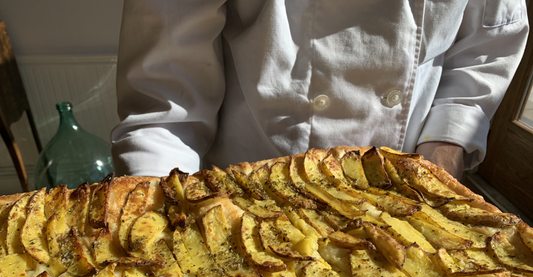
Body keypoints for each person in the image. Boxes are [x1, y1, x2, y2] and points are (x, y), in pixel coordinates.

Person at [111, 0, 528, 180]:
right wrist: (162, 229)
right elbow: (167, 102)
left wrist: (443, 151)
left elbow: (489, 40)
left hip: (406, 194)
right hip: (245, 198)